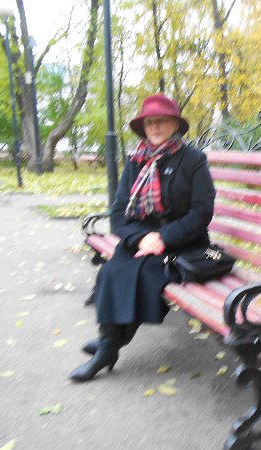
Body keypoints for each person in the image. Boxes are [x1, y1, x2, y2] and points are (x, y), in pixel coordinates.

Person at [69, 94, 216, 382]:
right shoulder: (136, 161)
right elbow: (118, 212)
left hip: (183, 243)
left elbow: (202, 212)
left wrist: (162, 238)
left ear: (175, 124)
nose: (155, 126)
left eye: (161, 120)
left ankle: (109, 346)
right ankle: (110, 343)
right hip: (141, 240)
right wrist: (140, 239)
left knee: (143, 273)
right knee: (111, 271)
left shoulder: (193, 160)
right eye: (149, 122)